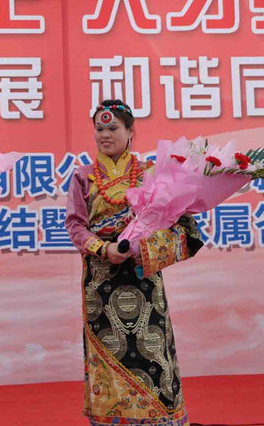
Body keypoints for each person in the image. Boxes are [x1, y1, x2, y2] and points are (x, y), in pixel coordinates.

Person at [65, 99, 203, 426]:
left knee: (153, 357)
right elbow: (75, 226)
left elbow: (180, 226)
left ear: (130, 132)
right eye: (99, 128)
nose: (105, 135)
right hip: (101, 286)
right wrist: (104, 248)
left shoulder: (151, 174)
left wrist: (144, 248)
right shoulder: (83, 177)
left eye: (113, 128)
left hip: (144, 282)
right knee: (109, 358)